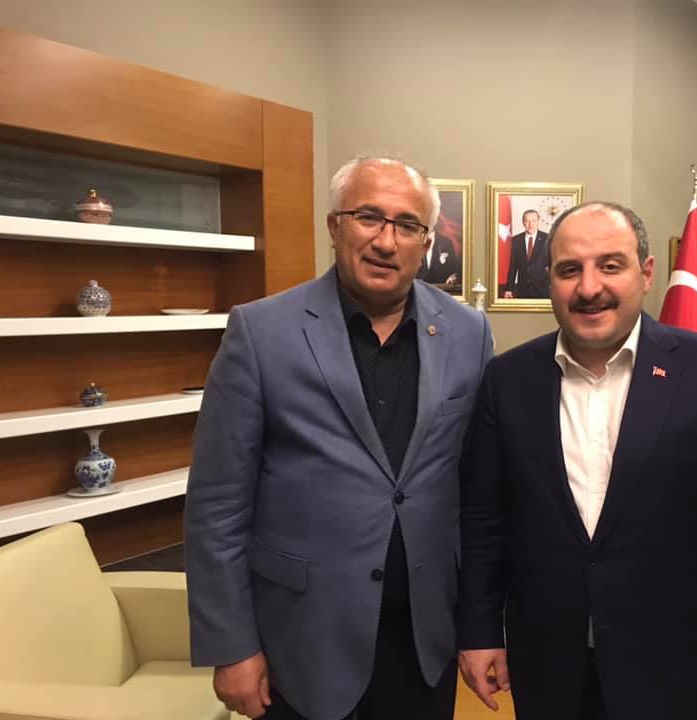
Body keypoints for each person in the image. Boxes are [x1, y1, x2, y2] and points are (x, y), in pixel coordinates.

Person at [458, 201, 697, 720]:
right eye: (569, 270)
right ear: (549, 279)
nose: (589, 287)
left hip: (682, 670)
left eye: (610, 265)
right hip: (550, 667)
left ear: (647, 272)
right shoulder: (507, 380)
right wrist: (480, 629)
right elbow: (485, 519)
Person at [185, 155, 494, 720]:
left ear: (426, 242)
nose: (386, 241)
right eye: (368, 217)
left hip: (424, 640)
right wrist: (230, 646)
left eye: (407, 225)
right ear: (334, 226)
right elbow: (217, 505)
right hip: (303, 642)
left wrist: (481, 626)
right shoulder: (260, 332)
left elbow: (476, 495)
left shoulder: (469, 333)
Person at [504, 209, 550, 299]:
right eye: (527, 221)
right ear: (523, 222)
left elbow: (552, 265)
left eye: (533, 221)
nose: (530, 224)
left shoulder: (547, 239)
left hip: (543, 290)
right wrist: (509, 288)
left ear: (538, 222)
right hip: (523, 290)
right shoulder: (516, 240)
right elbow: (512, 266)